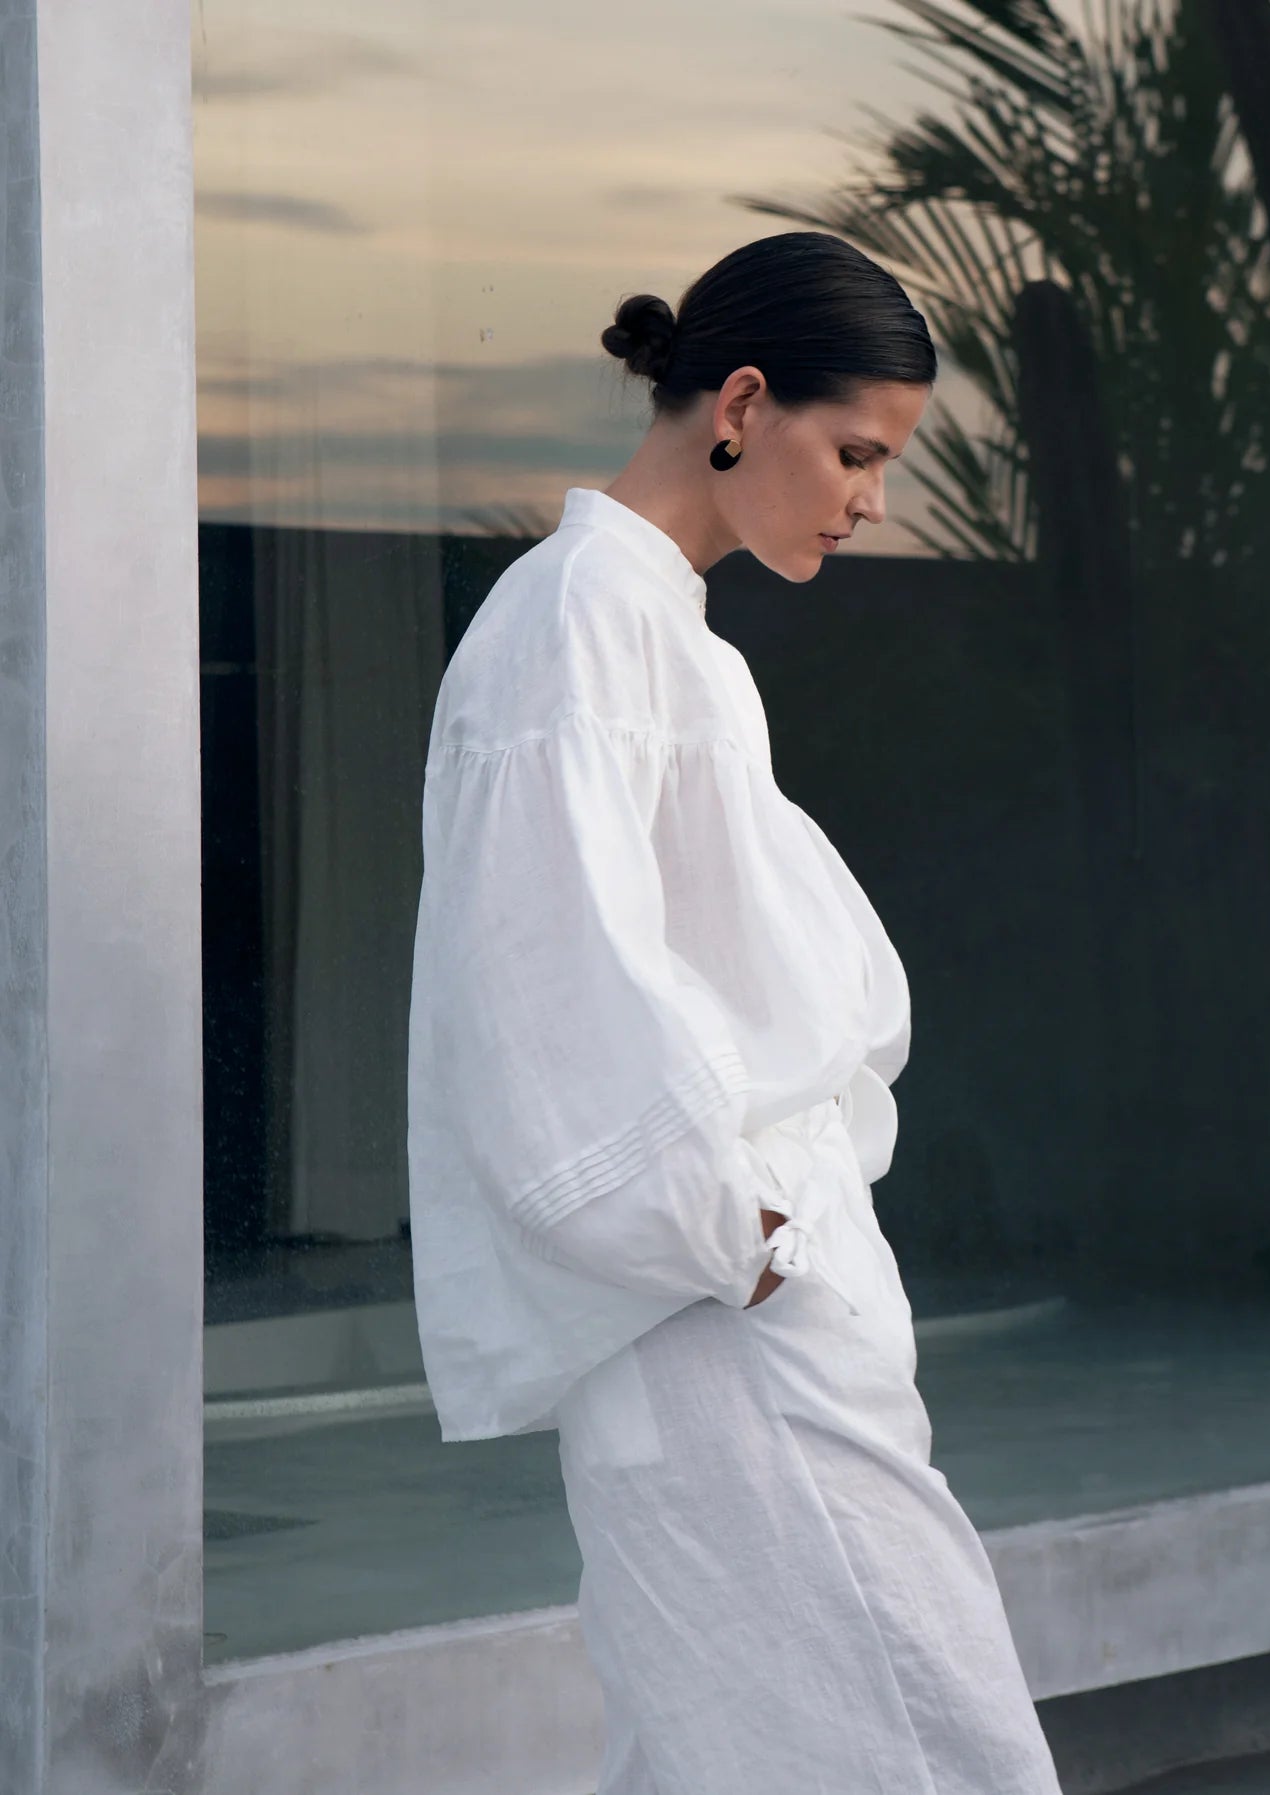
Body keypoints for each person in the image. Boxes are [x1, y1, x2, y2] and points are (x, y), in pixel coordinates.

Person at [406, 230, 1063, 1794]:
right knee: (901, 1729)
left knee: (771, 1729)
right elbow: (539, 974)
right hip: (711, 1301)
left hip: (748, 1289)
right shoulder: (578, 620)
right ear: (741, 401)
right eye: (851, 452)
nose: (869, 499)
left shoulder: (655, 629)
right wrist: (740, 1233)